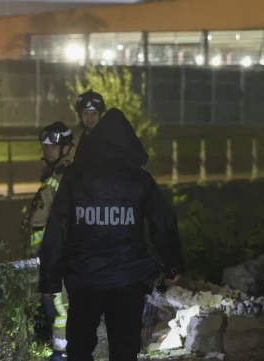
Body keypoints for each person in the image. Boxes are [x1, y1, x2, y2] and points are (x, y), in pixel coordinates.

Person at [38, 108, 185, 361]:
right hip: (128, 281)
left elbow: (56, 230)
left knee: (80, 347)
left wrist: (49, 281)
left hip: (84, 279)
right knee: (125, 348)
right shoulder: (139, 177)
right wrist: (172, 265)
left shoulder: (75, 176)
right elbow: (164, 221)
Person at [20, 121, 74, 361]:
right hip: (47, 255)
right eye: (45, 146)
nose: (48, 150)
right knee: (52, 304)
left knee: (60, 306)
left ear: (65, 148)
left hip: (58, 254)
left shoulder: (65, 176)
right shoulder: (53, 175)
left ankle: (62, 352)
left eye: (53, 146)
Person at [73, 89, 106, 157]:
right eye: (86, 113)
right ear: (80, 116)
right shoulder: (73, 142)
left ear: (100, 115)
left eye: (94, 113)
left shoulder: (110, 142)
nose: (90, 119)